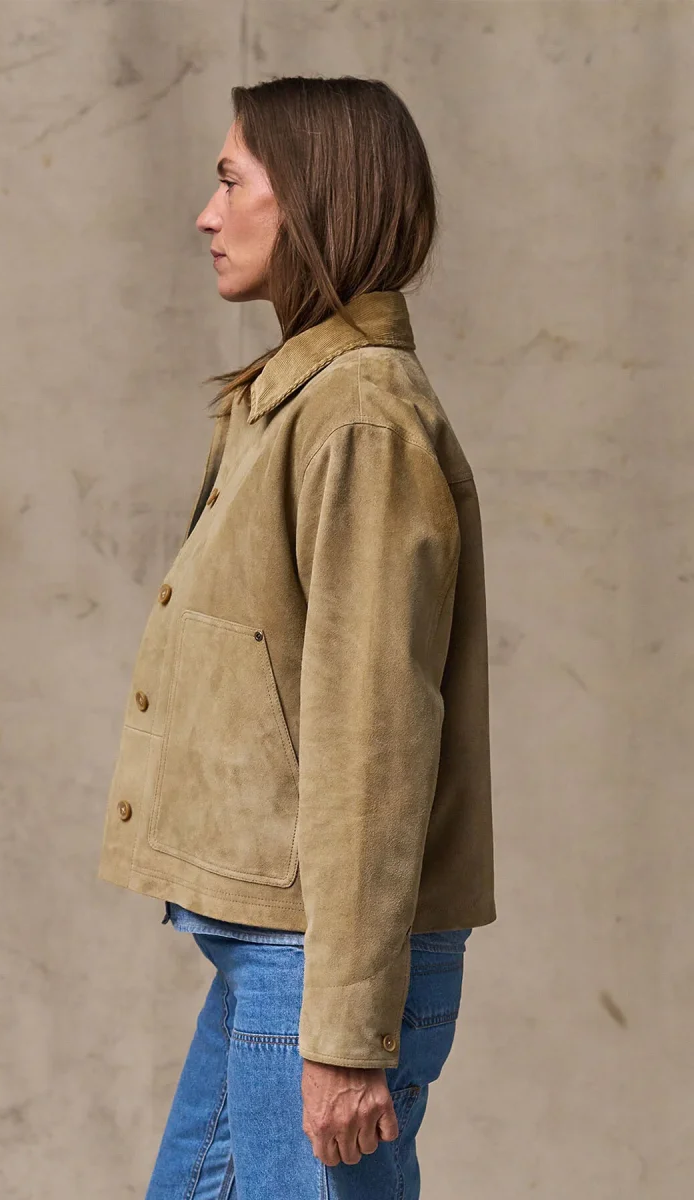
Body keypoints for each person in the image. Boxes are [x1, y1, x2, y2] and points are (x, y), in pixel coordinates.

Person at [97, 75, 496, 1200]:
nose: (206, 214)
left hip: (317, 960)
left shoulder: (359, 416)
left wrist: (349, 1030)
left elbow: (374, 736)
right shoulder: (300, 400)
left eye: (232, 181)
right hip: (277, 947)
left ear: (315, 198)